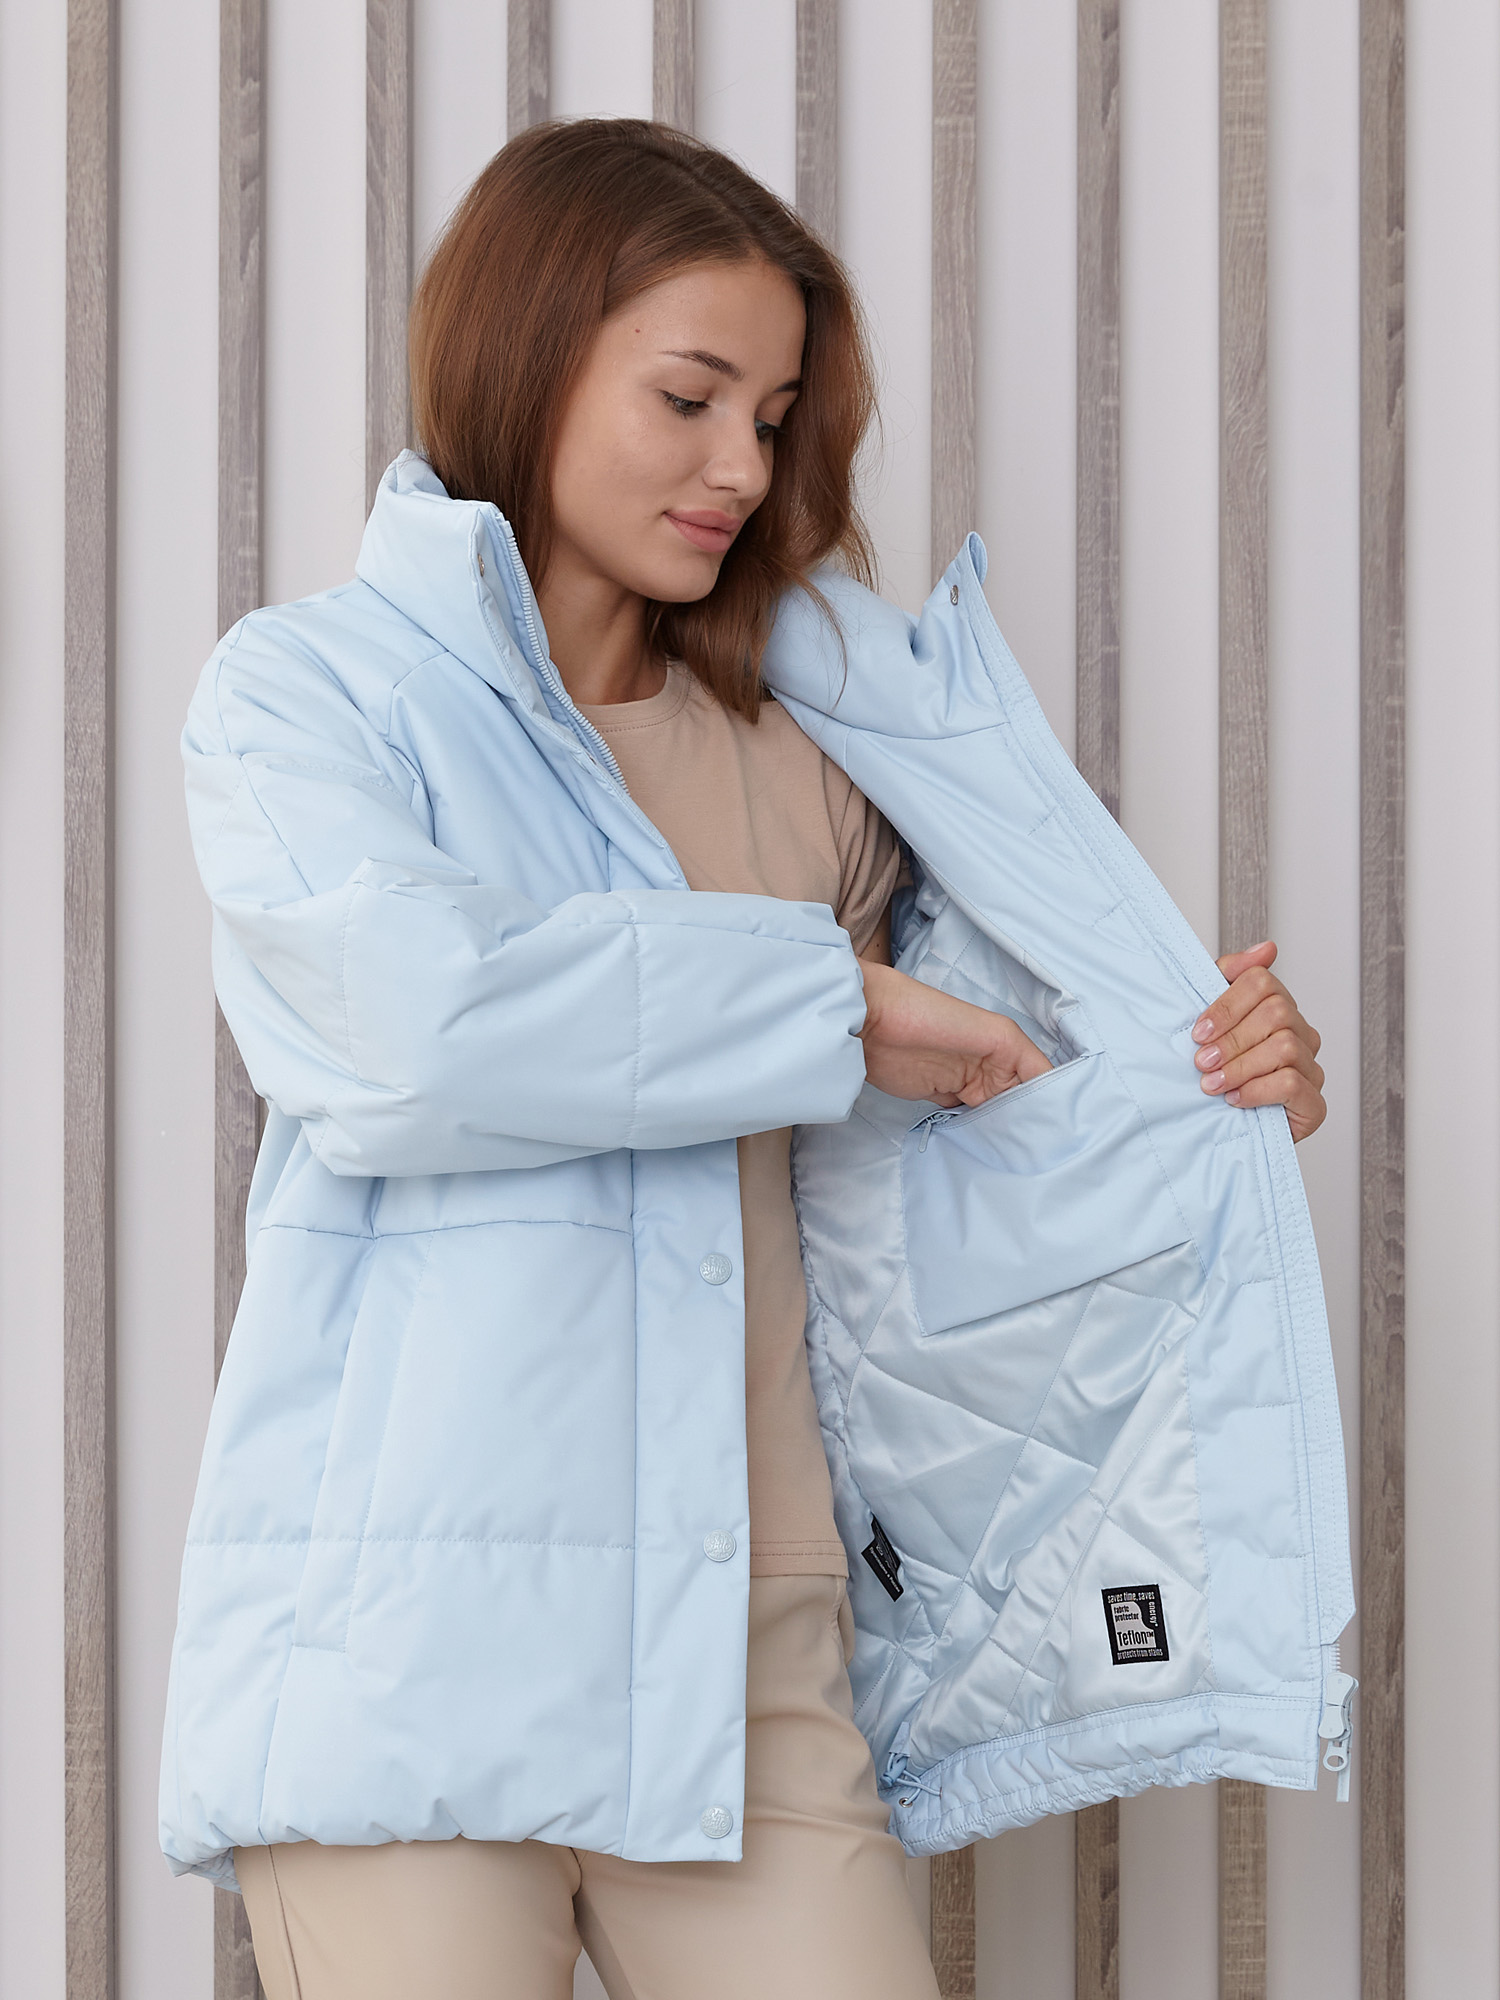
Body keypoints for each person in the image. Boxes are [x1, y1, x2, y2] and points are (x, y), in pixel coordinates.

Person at [161, 120, 1330, 2000]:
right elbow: (414, 1029)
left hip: (752, 1643)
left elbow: (985, 1120)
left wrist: (1208, 1081)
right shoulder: (312, 697)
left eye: (774, 419)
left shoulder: (807, 758)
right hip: (407, 1636)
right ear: (529, 357)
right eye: (690, 398)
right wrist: (831, 1003)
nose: (742, 469)